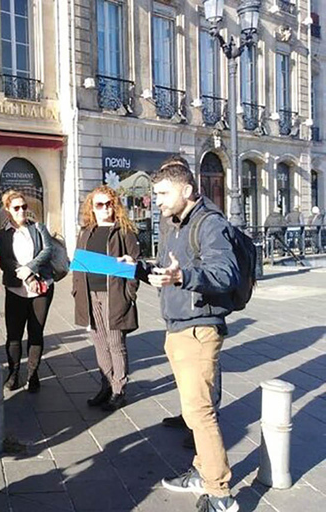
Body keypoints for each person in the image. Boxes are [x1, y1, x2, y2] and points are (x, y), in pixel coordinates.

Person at [122, 156, 240, 512]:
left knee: (200, 413)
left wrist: (182, 278)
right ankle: (201, 472)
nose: (155, 199)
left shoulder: (209, 222)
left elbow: (225, 273)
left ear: (186, 190)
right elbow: (167, 270)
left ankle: (220, 494)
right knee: (192, 413)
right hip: (177, 326)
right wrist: (141, 270)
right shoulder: (172, 222)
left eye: (162, 193)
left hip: (198, 329)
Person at [73, 185, 140, 412]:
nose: (104, 209)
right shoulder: (86, 231)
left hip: (114, 295)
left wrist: (129, 293)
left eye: (108, 204)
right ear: (92, 208)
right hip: (89, 295)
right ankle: (106, 385)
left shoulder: (123, 231)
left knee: (115, 343)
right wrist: (76, 291)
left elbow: (134, 264)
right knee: (99, 343)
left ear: (115, 205)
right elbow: (78, 264)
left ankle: (119, 390)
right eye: (99, 205)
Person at [0, 190, 54, 393]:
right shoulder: (2, 235)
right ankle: (13, 373)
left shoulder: (38, 228)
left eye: (24, 207)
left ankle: (32, 374)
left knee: (36, 332)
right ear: (8, 210)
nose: (21, 211)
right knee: (14, 335)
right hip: (16, 290)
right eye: (16, 208)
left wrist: (31, 268)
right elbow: (5, 260)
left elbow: (48, 251)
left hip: (42, 289)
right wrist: (27, 276)